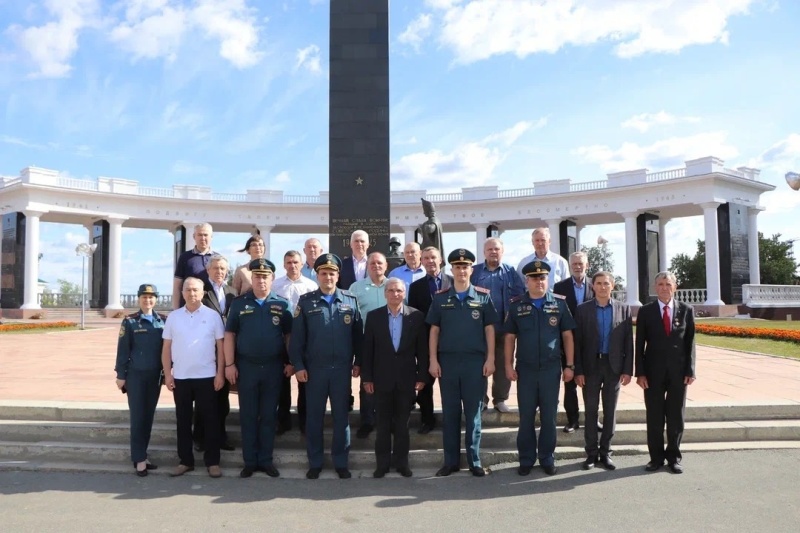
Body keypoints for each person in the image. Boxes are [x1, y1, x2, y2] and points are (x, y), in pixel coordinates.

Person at [289, 253, 363, 480]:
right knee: (314, 418)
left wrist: (358, 362)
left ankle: (341, 463)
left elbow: (358, 336)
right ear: (318, 275)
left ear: (338, 275)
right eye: (323, 273)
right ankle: (316, 462)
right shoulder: (306, 301)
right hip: (315, 371)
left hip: (341, 370)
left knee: (342, 418)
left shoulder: (350, 300)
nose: (328, 277)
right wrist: (299, 365)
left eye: (332, 273)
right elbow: (297, 339)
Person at [427, 248, 499, 477]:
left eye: (465, 266)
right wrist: (432, 360)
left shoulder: (483, 296)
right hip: (447, 363)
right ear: (451, 269)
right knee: (450, 414)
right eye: (457, 267)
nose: (461, 270)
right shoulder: (440, 298)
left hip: (475, 364)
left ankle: (474, 461)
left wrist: (490, 358)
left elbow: (490, 330)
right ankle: (450, 462)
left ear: (471, 269)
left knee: (473, 414)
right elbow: (434, 331)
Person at [505, 260, 576, 476]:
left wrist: (570, 365)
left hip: (550, 369)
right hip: (525, 370)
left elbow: (567, 336)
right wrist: (508, 365)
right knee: (526, 416)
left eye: (542, 277)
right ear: (526, 281)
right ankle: (526, 458)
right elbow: (510, 337)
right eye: (534, 278)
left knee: (549, 416)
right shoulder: (516, 305)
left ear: (547, 279)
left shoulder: (559, 304)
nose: (539, 281)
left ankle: (547, 457)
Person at [224, 258, 293, 478]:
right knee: (248, 415)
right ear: (251, 278)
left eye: (265, 276)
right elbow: (229, 335)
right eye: (257, 276)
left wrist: (290, 361)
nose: (261, 280)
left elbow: (289, 335)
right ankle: (250, 461)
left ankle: (265, 460)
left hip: (273, 368)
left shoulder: (282, 304)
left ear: (272, 279)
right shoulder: (239, 303)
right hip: (247, 367)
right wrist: (229, 364)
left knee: (268, 415)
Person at [362, 278, 428, 478]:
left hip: (406, 379)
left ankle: (402, 463)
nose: (395, 294)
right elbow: (368, 351)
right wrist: (367, 378)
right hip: (381, 380)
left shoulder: (416, 316)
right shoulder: (374, 317)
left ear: (404, 293)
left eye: (399, 290)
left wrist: (422, 375)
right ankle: (382, 464)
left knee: (402, 425)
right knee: (382, 425)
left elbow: (422, 350)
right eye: (390, 290)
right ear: (385, 294)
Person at [162, 277, 226, 478]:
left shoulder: (213, 316)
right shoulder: (174, 317)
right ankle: (185, 461)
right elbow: (166, 348)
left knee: (210, 421)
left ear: (203, 293)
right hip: (181, 377)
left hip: (207, 376)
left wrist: (220, 373)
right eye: (188, 290)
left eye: (195, 290)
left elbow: (221, 347)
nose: (191, 294)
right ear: (182, 294)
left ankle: (212, 462)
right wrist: (167, 373)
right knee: (183, 421)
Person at [635, 271, 696, 474]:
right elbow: (639, 344)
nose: (664, 287)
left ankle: (674, 457)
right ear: (655, 288)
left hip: (679, 373)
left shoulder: (686, 310)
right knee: (654, 416)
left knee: (676, 416)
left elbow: (690, 343)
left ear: (675, 287)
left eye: (668, 284)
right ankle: (656, 458)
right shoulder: (646, 311)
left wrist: (690, 370)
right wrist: (640, 373)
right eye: (660, 284)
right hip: (652, 373)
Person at [573, 271, 633, 471]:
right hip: (590, 367)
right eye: (598, 283)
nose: (602, 287)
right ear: (593, 286)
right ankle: (591, 453)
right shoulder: (582, 310)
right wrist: (578, 370)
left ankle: (606, 452)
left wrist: (627, 370)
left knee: (610, 411)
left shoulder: (623, 309)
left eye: (606, 283)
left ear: (612, 286)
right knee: (590, 411)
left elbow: (628, 342)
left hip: (613, 367)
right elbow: (577, 342)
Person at [115, 283, 167, 477]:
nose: (148, 300)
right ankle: (138, 459)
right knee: (138, 417)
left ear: (156, 299)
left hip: (155, 376)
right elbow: (123, 350)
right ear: (139, 299)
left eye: (151, 297)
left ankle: (143, 455)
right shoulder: (129, 322)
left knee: (148, 417)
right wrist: (121, 375)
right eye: (144, 297)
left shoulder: (163, 321)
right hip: (135, 376)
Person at [470, 237, 525, 413]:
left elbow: (519, 296)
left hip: (504, 326)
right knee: (480, 364)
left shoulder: (510, 272)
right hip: (479, 328)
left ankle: (500, 399)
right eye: (489, 249)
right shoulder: (475, 272)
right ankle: (482, 399)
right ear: (484, 252)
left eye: (496, 249)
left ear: (502, 251)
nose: (493, 252)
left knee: (503, 363)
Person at [272, 250, 318, 434]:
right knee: (281, 382)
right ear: (284, 265)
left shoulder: (311, 285)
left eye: (296, 262)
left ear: (301, 264)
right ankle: (283, 421)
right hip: (280, 339)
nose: (292, 265)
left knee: (304, 382)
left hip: (304, 339)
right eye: (289, 262)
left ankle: (305, 422)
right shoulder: (275, 286)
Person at [194, 254, 237, 452]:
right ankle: (201, 437)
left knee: (222, 399)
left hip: (226, 350)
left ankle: (221, 436)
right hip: (205, 350)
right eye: (216, 268)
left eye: (223, 269)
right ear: (208, 270)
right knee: (204, 398)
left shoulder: (232, 291)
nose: (219, 272)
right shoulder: (201, 290)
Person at [408, 246, 452, 434]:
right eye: (425, 258)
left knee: (449, 383)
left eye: (433, 257)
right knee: (425, 382)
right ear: (421, 261)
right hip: (426, 341)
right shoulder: (416, 287)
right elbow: (415, 317)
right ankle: (427, 419)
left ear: (440, 260)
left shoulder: (453, 281)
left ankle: (452, 418)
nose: (430, 261)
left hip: (451, 341)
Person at [349, 252, 390, 438]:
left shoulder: (394, 286)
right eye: (372, 263)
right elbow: (352, 319)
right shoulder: (356, 287)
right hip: (366, 343)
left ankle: (386, 420)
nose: (376, 266)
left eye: (379, 263)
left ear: (386, 265)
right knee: (367, 384)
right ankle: (367, 421)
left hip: (391, 344)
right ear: (367, 266)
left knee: (389, 383)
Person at [552, 251, 594, 433]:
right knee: (569, 383)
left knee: (591, 384)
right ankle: (573, 420)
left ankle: (593, 419)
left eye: (580, 264)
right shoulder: (560, 287)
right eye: (574, 264)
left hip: (590, 342)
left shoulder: (595, 285)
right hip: (566, 341)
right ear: (569, 266)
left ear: (587, 265)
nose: (577, 267)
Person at [173, 223, 215, 309]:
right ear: (194, 236)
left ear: (211, 237)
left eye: (205, 235)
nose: (202, 238)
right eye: (199, 235)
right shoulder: (185, 257)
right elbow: (177, 286)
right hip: (189, 308)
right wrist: (175, 310)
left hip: (212, 307)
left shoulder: (218, 259)